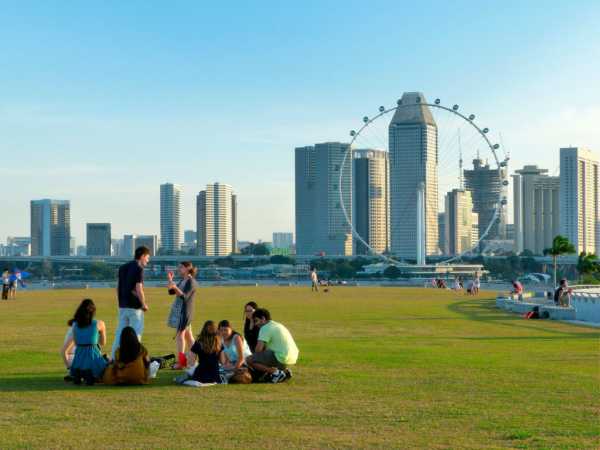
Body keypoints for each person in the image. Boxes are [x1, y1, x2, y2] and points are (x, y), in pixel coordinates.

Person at [112, 246, 150, 359]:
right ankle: (134, 359)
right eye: (147, 258)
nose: (148, 260)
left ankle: (113, 358)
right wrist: (143, 304)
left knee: (120, 333)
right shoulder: (139, 269)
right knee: (136, 334)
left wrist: (120, 302)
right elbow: (139, 288)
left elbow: (117, 287)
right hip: (135, 307)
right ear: (142, 256)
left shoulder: (123, 267)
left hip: (123, 305)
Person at [246, 308, 299, 384]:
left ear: (263, 318)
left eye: (256, 320)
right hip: (293, 357)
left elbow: (258, 350)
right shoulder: (278, 325)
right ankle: (285, 371)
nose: (255, 324)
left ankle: (276, 373)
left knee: (249, 359)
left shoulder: (265, 328)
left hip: (282, 357)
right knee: (268, 353)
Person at [65, 299, 107, 385]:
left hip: (78, 360)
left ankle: (80, 374)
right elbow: (103, 343)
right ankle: (91, 374)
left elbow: (76, 343)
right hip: (93, 357)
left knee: (81, 362)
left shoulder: (75, 325)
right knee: (107, 359)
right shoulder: (99, 323)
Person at [167, 261, 198, 369]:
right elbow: (171, 292)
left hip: (185, 312)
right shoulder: (183, 280)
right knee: (189, 337)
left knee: (180, 336)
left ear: (187, 268)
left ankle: (181, 363)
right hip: (180, 310)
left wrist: (175, 287)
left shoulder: (191, 281)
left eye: (181, 267)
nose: (179, 269)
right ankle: (193, 360)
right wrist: (170, 281)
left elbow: (184, 296)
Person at [178, 320, 225, 386]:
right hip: (215, 376)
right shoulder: (219, 343)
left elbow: (191, 362)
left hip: (200, 375)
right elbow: (223, 361)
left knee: (187, 375)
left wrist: (187, 358)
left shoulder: (198, 343)